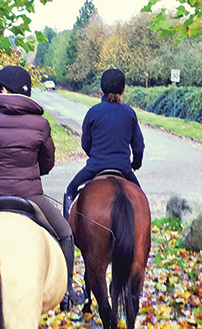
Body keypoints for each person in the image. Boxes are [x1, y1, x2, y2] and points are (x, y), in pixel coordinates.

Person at [0, 64, 82, 311]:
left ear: (5, 89)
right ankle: (68, 291)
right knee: (65, 233)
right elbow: (47, 162)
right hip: (31, 195)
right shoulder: (41, 124)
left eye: (0, 88)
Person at [62, 68, 145, 220]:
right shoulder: (129, 113)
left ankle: (67, 236)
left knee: (70, 190)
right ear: (123, 89)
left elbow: (86, 143)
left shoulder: (93, 112)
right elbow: (139, 147)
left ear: (102, 89)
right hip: (124, 168)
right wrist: (135, 164)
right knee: (141, 201)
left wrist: (96, 156)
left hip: (95, 167)